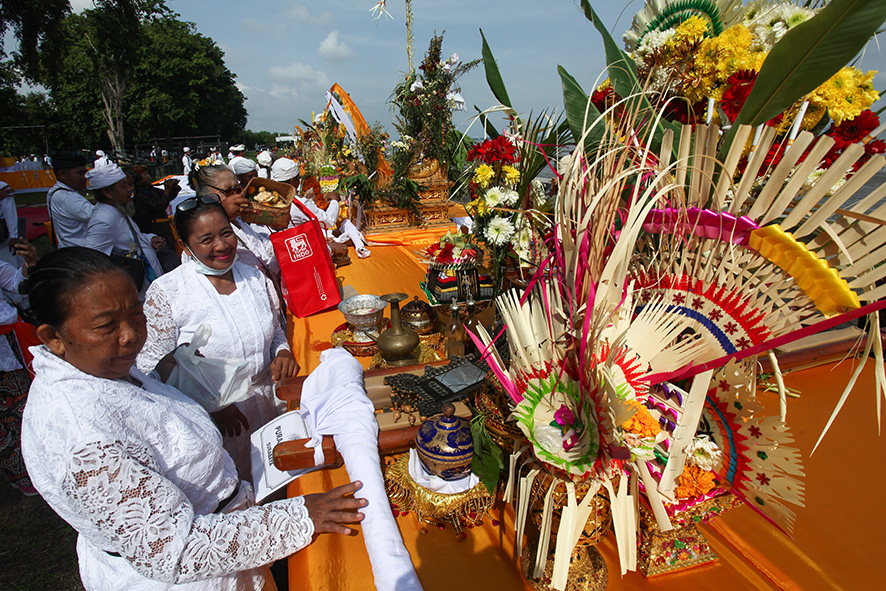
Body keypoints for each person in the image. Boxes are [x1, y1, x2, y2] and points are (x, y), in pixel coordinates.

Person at [20, 247, 366, 591]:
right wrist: (302, 517)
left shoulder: (104, 370)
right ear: (53, 338)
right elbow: (174, 549)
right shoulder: (80, 435)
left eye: (136, 314)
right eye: (106, 325)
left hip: (229, 542)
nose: (130, 336)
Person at [137, 196, 298, 477]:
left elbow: (274, 332)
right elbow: (149, 371)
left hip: (268, 407)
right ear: (185, 245)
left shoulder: (254, 277)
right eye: (206, 239)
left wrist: (282, 352)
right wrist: (209, 404)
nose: (222, 246)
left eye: (226, 233)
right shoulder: (170, 292)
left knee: (278, 480)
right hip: (216, 425)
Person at [189, 164, 280, 279]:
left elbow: (262, 247)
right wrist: (222, 215)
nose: (236, 196)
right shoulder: (200, 229)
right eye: (228, 192)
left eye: (238, 189)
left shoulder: (239, 221)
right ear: (205, 195)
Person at [84, 163, 165, 292]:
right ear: (107, 192)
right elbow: (95, 262)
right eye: (124, 186)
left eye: (128, 185)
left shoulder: (118, 210)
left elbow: (129, 241)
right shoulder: (102, 220)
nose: (129, 190)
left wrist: (149, 239)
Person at [0, 237, 40, 496]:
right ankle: (17, 470)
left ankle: (32, 466)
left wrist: (30, 263)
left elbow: (17, 283)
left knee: (20, 404)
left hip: (7, 344)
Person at [271, 158, 370, 259]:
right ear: (292, 181)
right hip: (298, 254)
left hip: (280, 252)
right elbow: (329, 221)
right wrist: (334, 200)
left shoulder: (268, 201)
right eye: (298, 178)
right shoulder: (298, 204)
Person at [130, 165, 181, 272]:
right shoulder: (141, 196)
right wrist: (167, 191)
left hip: (165, 231)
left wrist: (173, 187)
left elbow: (168, 197)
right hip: (156, 231)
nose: (148, 176)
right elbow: (160, 206)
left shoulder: (152, 190)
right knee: (169, 262)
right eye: (145, 174)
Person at [47, 151, 94, 248]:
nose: (85, 177)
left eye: (85, 172)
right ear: (62, 175)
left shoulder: (55, 192)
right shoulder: (66, 198)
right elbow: (103, 216)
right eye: (80, 173)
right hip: (82, 255)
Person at [0, 181, 19, 266]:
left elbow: (9, 212)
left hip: (2, 239)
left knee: (8, 266)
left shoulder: (2, 187)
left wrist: (13, 236)